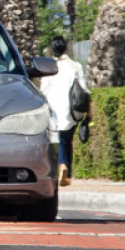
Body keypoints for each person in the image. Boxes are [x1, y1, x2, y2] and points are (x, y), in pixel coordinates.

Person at [38, 36, 90, 186]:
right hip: (71, 110)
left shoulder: (49, 67)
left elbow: (43, 91)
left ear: (52, 48)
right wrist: (89, 112)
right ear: (66, 48)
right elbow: (84, 90)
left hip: (53, 109)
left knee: (57, 140)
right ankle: (65, 168)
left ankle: (60, 168)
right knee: (66, 140)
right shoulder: (75, 66)